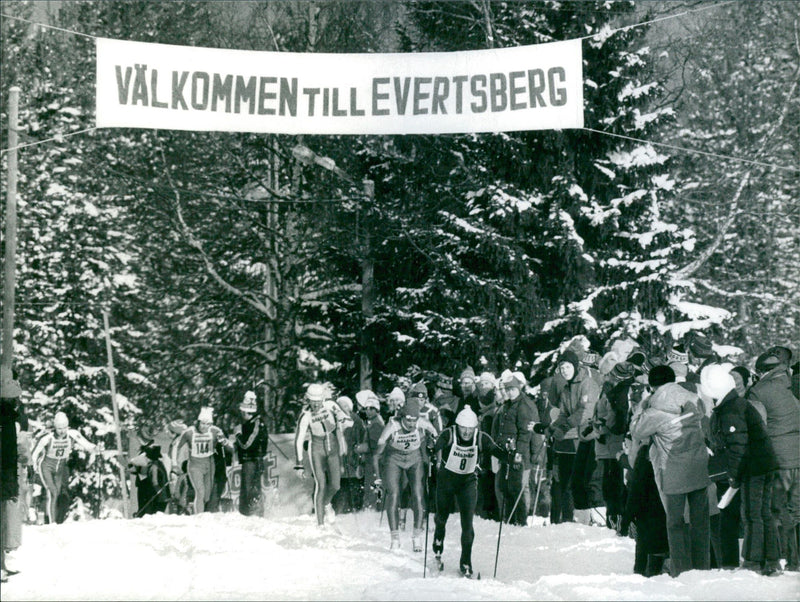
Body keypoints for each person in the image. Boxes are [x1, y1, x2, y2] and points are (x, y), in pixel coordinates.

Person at [629, 365, 710, 577]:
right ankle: (702, 568)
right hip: (699, 467)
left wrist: (642, 404)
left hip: (673, 470)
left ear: (653, 386)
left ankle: (682, 570)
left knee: (675, 523)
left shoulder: (654, 409)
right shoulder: (694, 399)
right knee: (700, 521)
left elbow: (636, 430)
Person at [704, 363, 781, 575]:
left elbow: (738, 447)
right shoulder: (736, 404)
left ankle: (753, 563)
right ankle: (771, 561)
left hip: (753, 466)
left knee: (752, 515)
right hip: (764, 463)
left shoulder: (730, 410)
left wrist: (734, 477)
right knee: (763, 514)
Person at [431, 405, 510, 577]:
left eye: (470, 428)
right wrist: (431, 446)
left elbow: (497, 451)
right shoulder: (449, 434)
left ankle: (466, 562)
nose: (466, 432)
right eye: (463, 428)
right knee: (442, 517)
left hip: (467, 482)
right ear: (457, 426)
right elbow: (437, 444)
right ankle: (438, 541)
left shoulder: (481, 438)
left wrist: (511, 455)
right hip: (447, 482)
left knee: (467, 524)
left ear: (475, 428)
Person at [747, 350, 800, 572]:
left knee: (775, 510)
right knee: (796, 509)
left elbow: (757, 428)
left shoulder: (759, 391)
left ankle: (776, 560)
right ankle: (796, 562)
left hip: (777, 457)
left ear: (764, 371)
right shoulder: (794, 385)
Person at [373, 397, 438, 550]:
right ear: (402, 417)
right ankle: (395, 538)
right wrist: (377, 477)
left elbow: (435, 434)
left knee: (418, 494)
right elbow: (377, 455)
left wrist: (431, 443)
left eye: (414, 421)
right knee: (394, 494)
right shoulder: (392, 425)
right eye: (408, 420)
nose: (411, 424)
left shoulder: (422, 422)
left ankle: (416, 536)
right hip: (394, 458)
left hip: (414, 459)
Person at [294, 383, 351, 527]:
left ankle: (327, 503)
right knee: (321, 484)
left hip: (332, 447)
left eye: (318, 402)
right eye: (313, 403)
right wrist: (299, 464)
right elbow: (299, 440)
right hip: (317, 448)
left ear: (322, 399)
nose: (316, 406)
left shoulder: (331, 405)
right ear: (308, 400)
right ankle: (320, 524)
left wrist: (342, 418)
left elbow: (348, 422)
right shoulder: (305, 415)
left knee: (336, 485)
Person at [31, 411, 97, 524]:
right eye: (59, 428)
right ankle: (52, 522)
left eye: (64, 428)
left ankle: (55, 520)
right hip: (46, 466)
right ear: (55, 427)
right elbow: (34, 453)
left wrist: (95, 448)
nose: (62, 431)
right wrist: (33, 467)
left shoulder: (72, 434)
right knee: (53, 492)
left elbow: (85, 443)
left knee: (57, 493)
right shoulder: (48, 438)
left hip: (60, 467)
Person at [492, 369, 535, 526]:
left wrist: (519, 453)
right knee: (504, 486)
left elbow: (525, 433)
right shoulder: (508, 405)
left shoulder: (523, 406)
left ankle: (521, 521)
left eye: (512, 389)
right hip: (505, 452)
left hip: (516, 453)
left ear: (519, 388)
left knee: (516, 489)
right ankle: (508, 519)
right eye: (507, 390)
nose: (510, 393)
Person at [174, 407, 233, 514]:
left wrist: (224, 442)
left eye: (208, 424)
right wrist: (175, 463)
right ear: (198, 422)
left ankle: (200, 511)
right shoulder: (189, 432)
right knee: (200, 492)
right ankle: (199, 516)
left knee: (207, 495)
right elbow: (176, 447)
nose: (205, 427)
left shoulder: (216, 431)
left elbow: (231, 448)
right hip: (195, 465)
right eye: (202, 423)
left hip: (210, 464)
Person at [233, 391, 269, 516]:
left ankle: (255, 513)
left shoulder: (256, 423)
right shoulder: (250, 423)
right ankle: (245, 513)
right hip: (249, 459)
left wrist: (238, 435)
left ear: (245, 412)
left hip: (253, 459)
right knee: (246, 488)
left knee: (251, 488)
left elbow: (247, 444)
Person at [331, 395, 363, 514]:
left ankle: (354, 509)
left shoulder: (356, 419)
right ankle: (337, 509)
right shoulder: (335, 419)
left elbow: (361, 436)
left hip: (352, 458)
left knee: (353, 485)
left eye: (345, 405)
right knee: (338, 485)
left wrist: (359, 452)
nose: (342, 408)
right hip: (338, 458)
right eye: (339, 406)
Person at [355, 390, 385, 510]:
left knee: (372, 487)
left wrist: (358, 448)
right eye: (366, 408)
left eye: (371, 408)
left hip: (374, 462)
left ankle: (372, 510)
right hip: (370, 462)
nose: (368, 411)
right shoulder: (372, 422)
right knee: (370, 487)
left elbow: (373, 446)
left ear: (376, 410)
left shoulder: (376, 424)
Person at [131, 444, 169, 517]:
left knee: (149, 512)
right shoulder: (159, 465)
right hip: (156, 492)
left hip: (153, 492)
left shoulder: (153, 466)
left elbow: (154, 481)